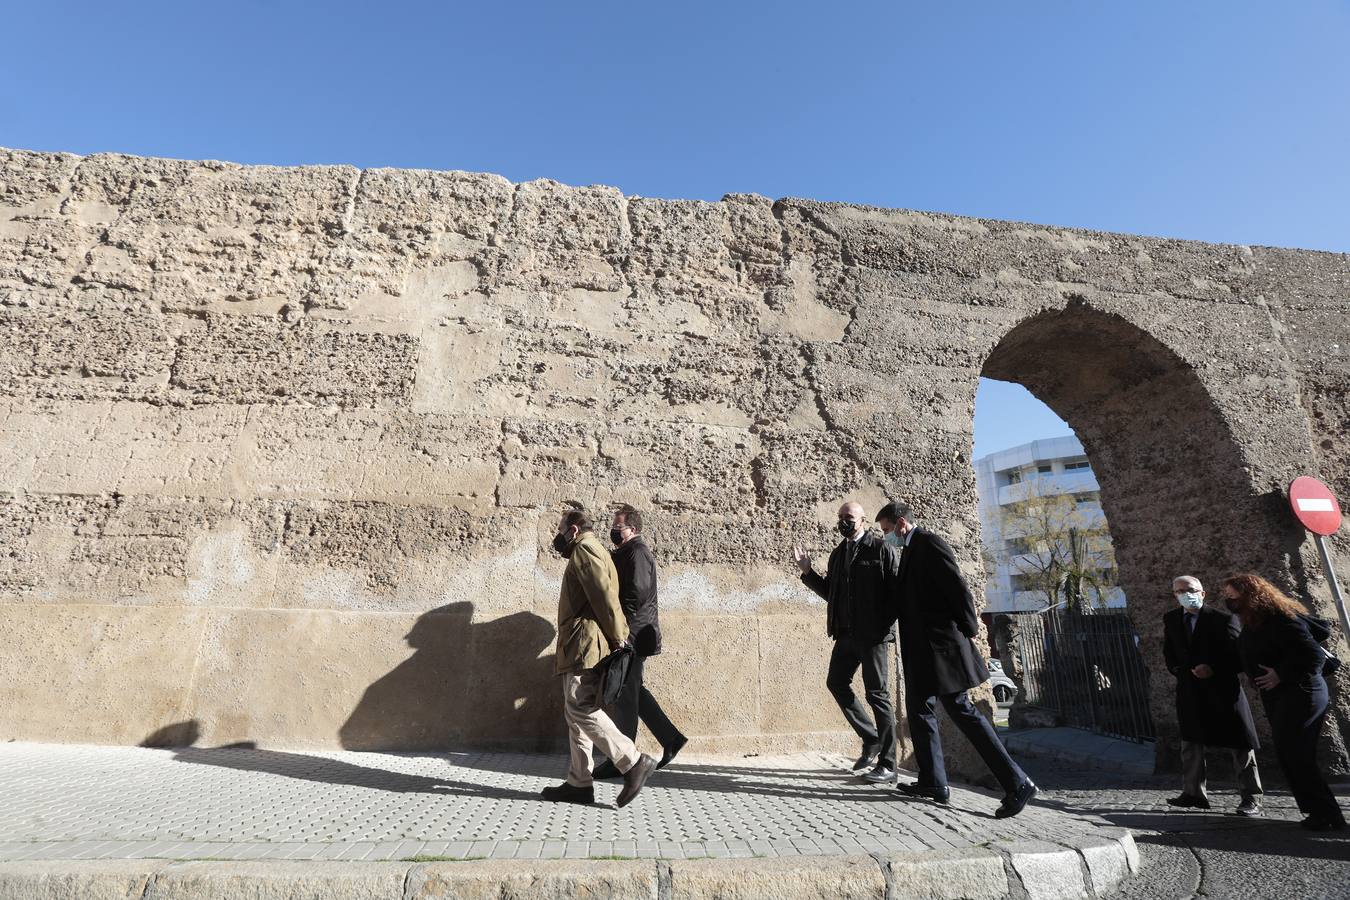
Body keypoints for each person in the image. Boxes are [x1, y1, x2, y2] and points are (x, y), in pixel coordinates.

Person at [880, 501, 1037, 818]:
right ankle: (933, 782)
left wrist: (968, 631)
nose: (886, 538)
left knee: (962, 710)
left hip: (942, 649)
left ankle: (1017, 782)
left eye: (886, 531)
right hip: (923, 651)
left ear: (900, 524)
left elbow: (958, 588)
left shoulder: (930, 543)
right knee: (919, 710)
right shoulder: (910, 550)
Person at [539, 507, 657, 807]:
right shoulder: (592, 549)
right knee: (574, 712)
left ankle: (632, 761)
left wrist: (619, 635)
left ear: (574, 530)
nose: (559, 534)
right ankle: (579, 783)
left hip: (584, 643)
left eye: (562, 527)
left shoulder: (586, 550)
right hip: (578, 642)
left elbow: (603, 594)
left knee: (581, 707)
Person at [1221, 574, 1346, 831]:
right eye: (1227, 596)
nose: (1229, 600)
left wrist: (1280, 673)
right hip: (1280, 697)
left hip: (1302, 694)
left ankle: (1328, 813)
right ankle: (1318, 811)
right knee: (1291, 754)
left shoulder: (1280, 619)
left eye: (1233, 596)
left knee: (1298, 754)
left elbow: (1313, 655)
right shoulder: (1252, 622)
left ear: (1251, 595)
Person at [794, 501, 902, 784]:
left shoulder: (880, 549)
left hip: (873, 636)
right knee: (836, 682)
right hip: (845, 634)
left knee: (877, 694)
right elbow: (833, 593)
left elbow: (896, 593)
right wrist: (808, 572)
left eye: (849, 517)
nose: (844, 521)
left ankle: (889, 763)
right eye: (841, 517)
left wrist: (883, 626)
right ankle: (871, 739)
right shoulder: (838, 553)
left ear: (863, 520)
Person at [590, 504, 688, 780]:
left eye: (618, 527)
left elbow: (636, 595)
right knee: (633, 691)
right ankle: (671, 739)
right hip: (630, 634)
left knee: (624, 696)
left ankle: (623, 759)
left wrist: (620, 630)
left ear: (632, 529)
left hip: (632, 636)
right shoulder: (627, 552)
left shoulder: (638, 553)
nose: (613, 531)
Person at [1162, 575, 1262, 816]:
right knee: (1191, 742)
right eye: (1180, 591)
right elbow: (1170, 652)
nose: (1186, 594)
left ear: (1202, 593)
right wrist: (1180, 671)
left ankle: (1251, 797)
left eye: (1191, 589)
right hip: (1190, 690)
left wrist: (1213, 669)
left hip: (1222, 690)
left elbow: (1239, 656)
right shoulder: (1172, 619)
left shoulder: (1223, 619)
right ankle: (1193, 793)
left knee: (1240, 743)